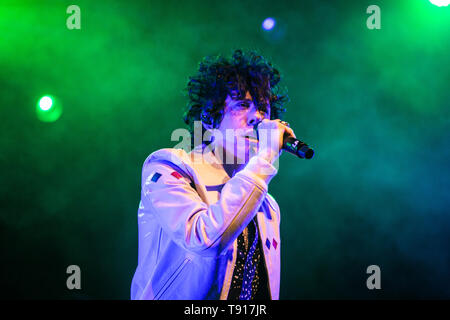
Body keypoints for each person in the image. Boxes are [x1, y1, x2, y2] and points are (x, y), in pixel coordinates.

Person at [130, 49, 295, 300]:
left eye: (263, 108)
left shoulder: (267, 204)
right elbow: (205, 240)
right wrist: (265, 159)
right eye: (242, 105)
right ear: (209, 117)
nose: (257, 118)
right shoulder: (169, 166)